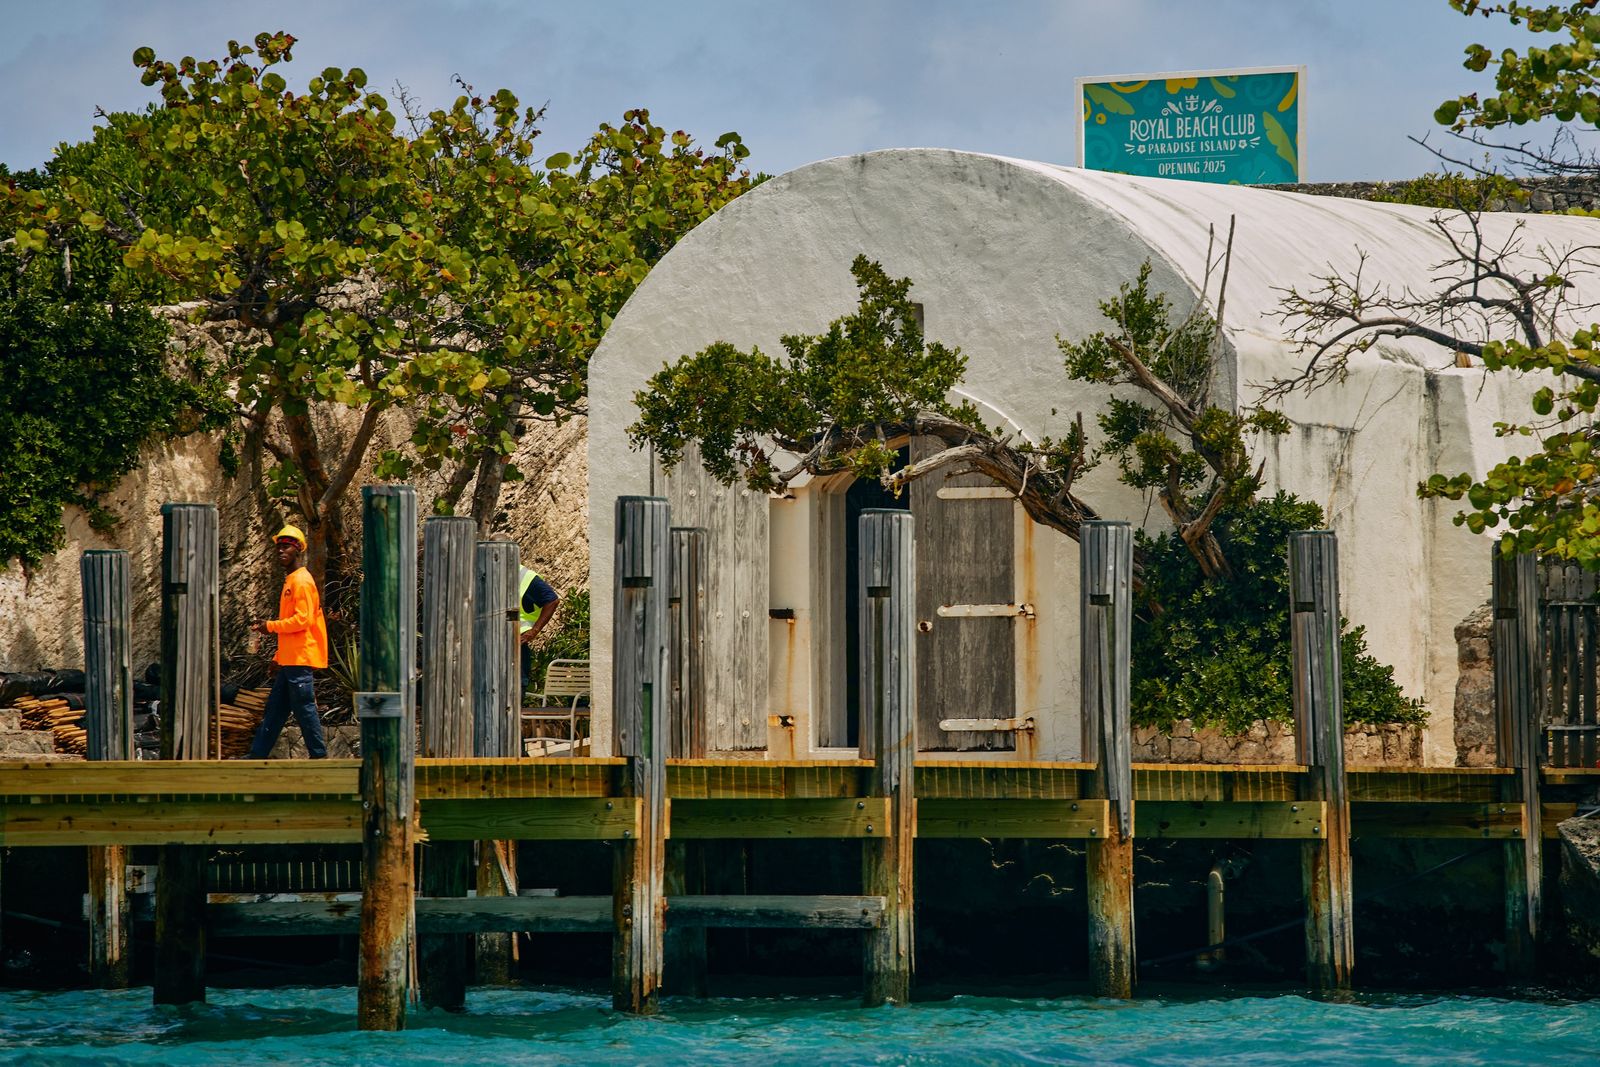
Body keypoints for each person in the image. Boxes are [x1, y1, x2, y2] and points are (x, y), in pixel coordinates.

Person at [247, 524, 329, 759]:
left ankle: (319, 756)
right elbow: (292, 628)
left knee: (304, 708)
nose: (281, 551)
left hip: (300, 658)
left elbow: (302, 621)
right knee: (275, 710)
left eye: (287, 548)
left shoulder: (301, 581)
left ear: (298, 551)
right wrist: (277, 658)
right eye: (279, 547)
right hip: (290, 659)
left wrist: (269, 626)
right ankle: (257, 755)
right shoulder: (292, 580)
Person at [519, 565, 562, 699]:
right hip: (489, 642)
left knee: (514, 691)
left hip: (516, 643)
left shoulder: (523, 576)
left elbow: (552, 600)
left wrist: (534, 630)